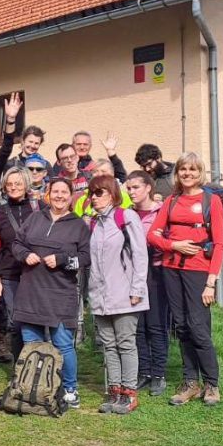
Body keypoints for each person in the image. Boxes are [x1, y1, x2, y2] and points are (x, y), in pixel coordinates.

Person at [148, 153, 223, 407]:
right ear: (177, 173)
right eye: (183, 169)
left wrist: (211, 282)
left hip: (198, 271)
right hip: (172, 269)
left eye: (193, 169)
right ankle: (190, 382)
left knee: (198, 328)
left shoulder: (210, 201)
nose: (188, 173)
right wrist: (175, 245)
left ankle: (211, 384)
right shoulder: (171, 201)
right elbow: (153, 235)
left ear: (200, 172)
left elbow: (218, 243)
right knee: (181, 326)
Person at [11, 177, 91, 409]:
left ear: (70, 195)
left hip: (60, 293)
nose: (59, 196)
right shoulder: (35, 218)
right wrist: (25, 254)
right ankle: (34, 385)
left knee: (63, 343)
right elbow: (17, 244)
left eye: (64, 192)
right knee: (32, 343)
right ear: (48, 194)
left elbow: (85, 258)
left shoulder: (78, 225)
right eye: (55, 191)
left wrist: (63, 260)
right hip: (31, 291)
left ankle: (70, 389)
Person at [85, 175, 150, 414]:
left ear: (112, 194)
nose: (93, 197)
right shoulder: (94, 222)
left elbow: (140, 255)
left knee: (125, 343)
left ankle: (129, 393)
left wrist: (137, 289)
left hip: (125, 294)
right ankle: (114, 391)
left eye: (99, 193)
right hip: (101, 296)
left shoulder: (126, 217)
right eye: (92, 193)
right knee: (108, 346)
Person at [125, 171, 170, 396]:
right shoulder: (127, 214)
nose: (131, 192)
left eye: (135, 187)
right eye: (129, 188)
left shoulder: (161, 211)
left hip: (156, 271)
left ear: (148, 188)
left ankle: (159, 374)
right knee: (138, 326)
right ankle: (144, 372)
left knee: (156, 324)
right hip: (133, 273)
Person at [0, 167, 37, 362]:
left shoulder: (40, 209)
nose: (13, 187)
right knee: (17, 323)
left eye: (18, 183)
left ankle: (40, 365)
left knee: (37, 321)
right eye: (9, 184)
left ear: (26, 185)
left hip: (36, 273)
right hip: (9, 274)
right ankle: (20, 370)